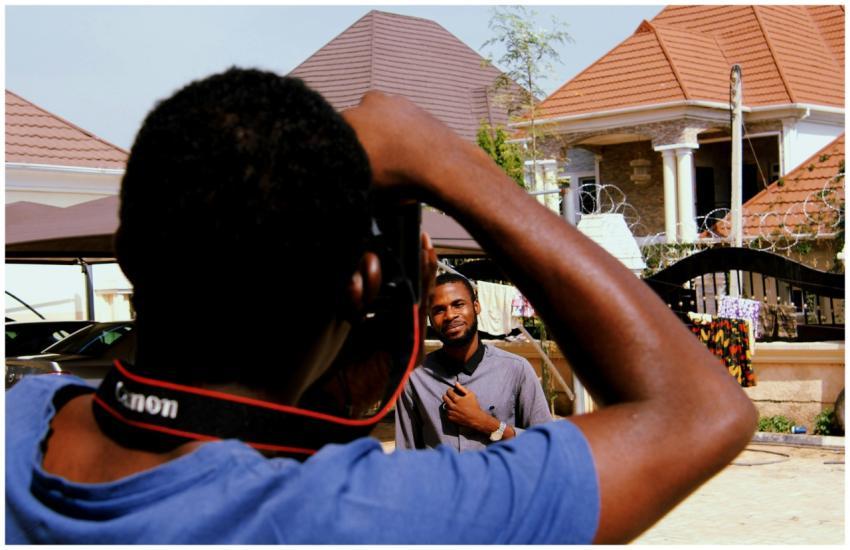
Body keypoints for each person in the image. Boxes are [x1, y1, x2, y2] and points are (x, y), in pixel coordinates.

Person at [5, 67, 758, 544]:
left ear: (129, 250)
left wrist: (338, 391)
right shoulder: (356, 519)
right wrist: (446, 162)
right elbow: (703, 414)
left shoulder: (22, 416)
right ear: (364, 284)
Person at [395, 272, 552, 450]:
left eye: (458, 304)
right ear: (430, 318)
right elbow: (407, 454)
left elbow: (545, 446)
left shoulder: (516, 370)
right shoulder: (415, 377)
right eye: (439, 310)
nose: (449, 315)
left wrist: (485, 423)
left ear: (476, 306)